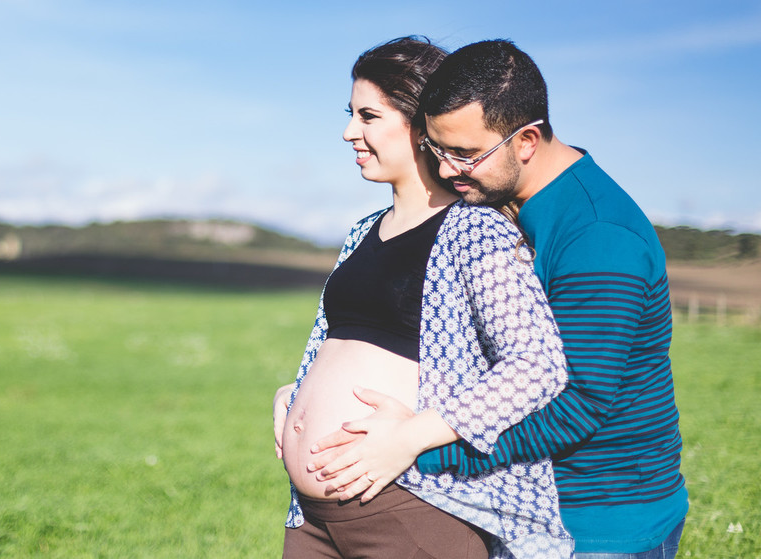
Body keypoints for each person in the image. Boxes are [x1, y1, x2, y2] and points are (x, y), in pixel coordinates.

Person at [310, 40, 687, 559]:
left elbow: (579, 402)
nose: (446, 171)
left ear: (527, 139)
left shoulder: (597, 236)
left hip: (598, 518)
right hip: (530, 504)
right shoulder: (508, 206)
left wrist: (420, 450)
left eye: (465, 155)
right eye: (439, 150)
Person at [274, 37, 573, 559]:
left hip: (409, 509)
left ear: (418, 124)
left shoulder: (475, 233)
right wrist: (293, 395)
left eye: (368, 116)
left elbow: (538, 365)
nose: (349, 132)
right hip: (313, 519)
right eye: (351, 114)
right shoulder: (363, 231)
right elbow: (344, 343)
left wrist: (413, 436)